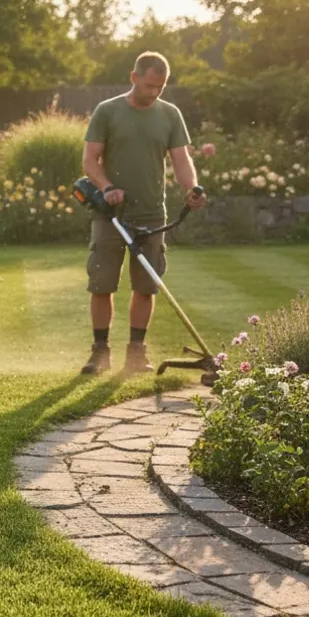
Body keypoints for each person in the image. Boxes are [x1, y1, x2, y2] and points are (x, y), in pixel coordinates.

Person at [80, 51, 208, 375]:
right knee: (102, 283)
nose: (153, 93)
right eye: (149, 85)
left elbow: (181, 160)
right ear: (133, 77)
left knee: (146, 286)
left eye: (160, 87)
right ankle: (100, 351)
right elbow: (89, 160)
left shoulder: (170, 115)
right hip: (110, 214)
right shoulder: (107, 111)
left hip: (152, 214)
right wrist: (107, 187)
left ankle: (137, 353)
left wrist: (191, 188)